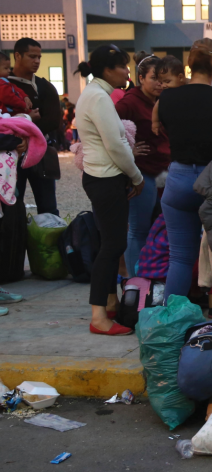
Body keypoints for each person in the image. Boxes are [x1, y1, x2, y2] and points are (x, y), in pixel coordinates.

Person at [157, 38, 212, 315]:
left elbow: (167, 131)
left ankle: (168, 323)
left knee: (180, 259)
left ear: (188, 64)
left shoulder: (167, 98)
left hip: (179, 179)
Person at [73, 44, 144, 336]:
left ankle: (110, 303)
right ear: (107, 69)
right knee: (112, 246)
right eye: (123, 66)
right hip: (105, 178)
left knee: (110, 244)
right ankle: (99, 316)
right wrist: (136, 176)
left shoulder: (95, 94)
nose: (127, 71)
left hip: (103, 177)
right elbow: (116, 144)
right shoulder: (98, 97)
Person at [114, 52, 170, 278]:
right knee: (138, 230)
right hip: (141, 174)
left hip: (164, 172)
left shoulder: (161, 100)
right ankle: (137, 284)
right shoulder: (130, 102)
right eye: (154, 78)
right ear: (140, 78)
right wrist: (129, 149)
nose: (160, 83)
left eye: (163, 79)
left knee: (158, 230)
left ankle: (152, 278)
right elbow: (108, 130)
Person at [10, 37, 61, 216]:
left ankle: (50, 244)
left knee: (48, 207)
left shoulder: (44, 86)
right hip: (11, 154)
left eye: (39, 57)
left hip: (41, 153)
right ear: (17, 55)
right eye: (32, 56)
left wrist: (22, 127)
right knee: (12, 206)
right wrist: (27, 121)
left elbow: (55, 120)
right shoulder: (4, 83)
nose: (37, 61)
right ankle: (14, 243)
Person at [151, 55, 187, 136]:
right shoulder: (166, 94)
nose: (163, 85)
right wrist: (155, 123)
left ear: (180, 77)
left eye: (167, 81)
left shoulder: (188, 86)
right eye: (161, 82)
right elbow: (156, 107)